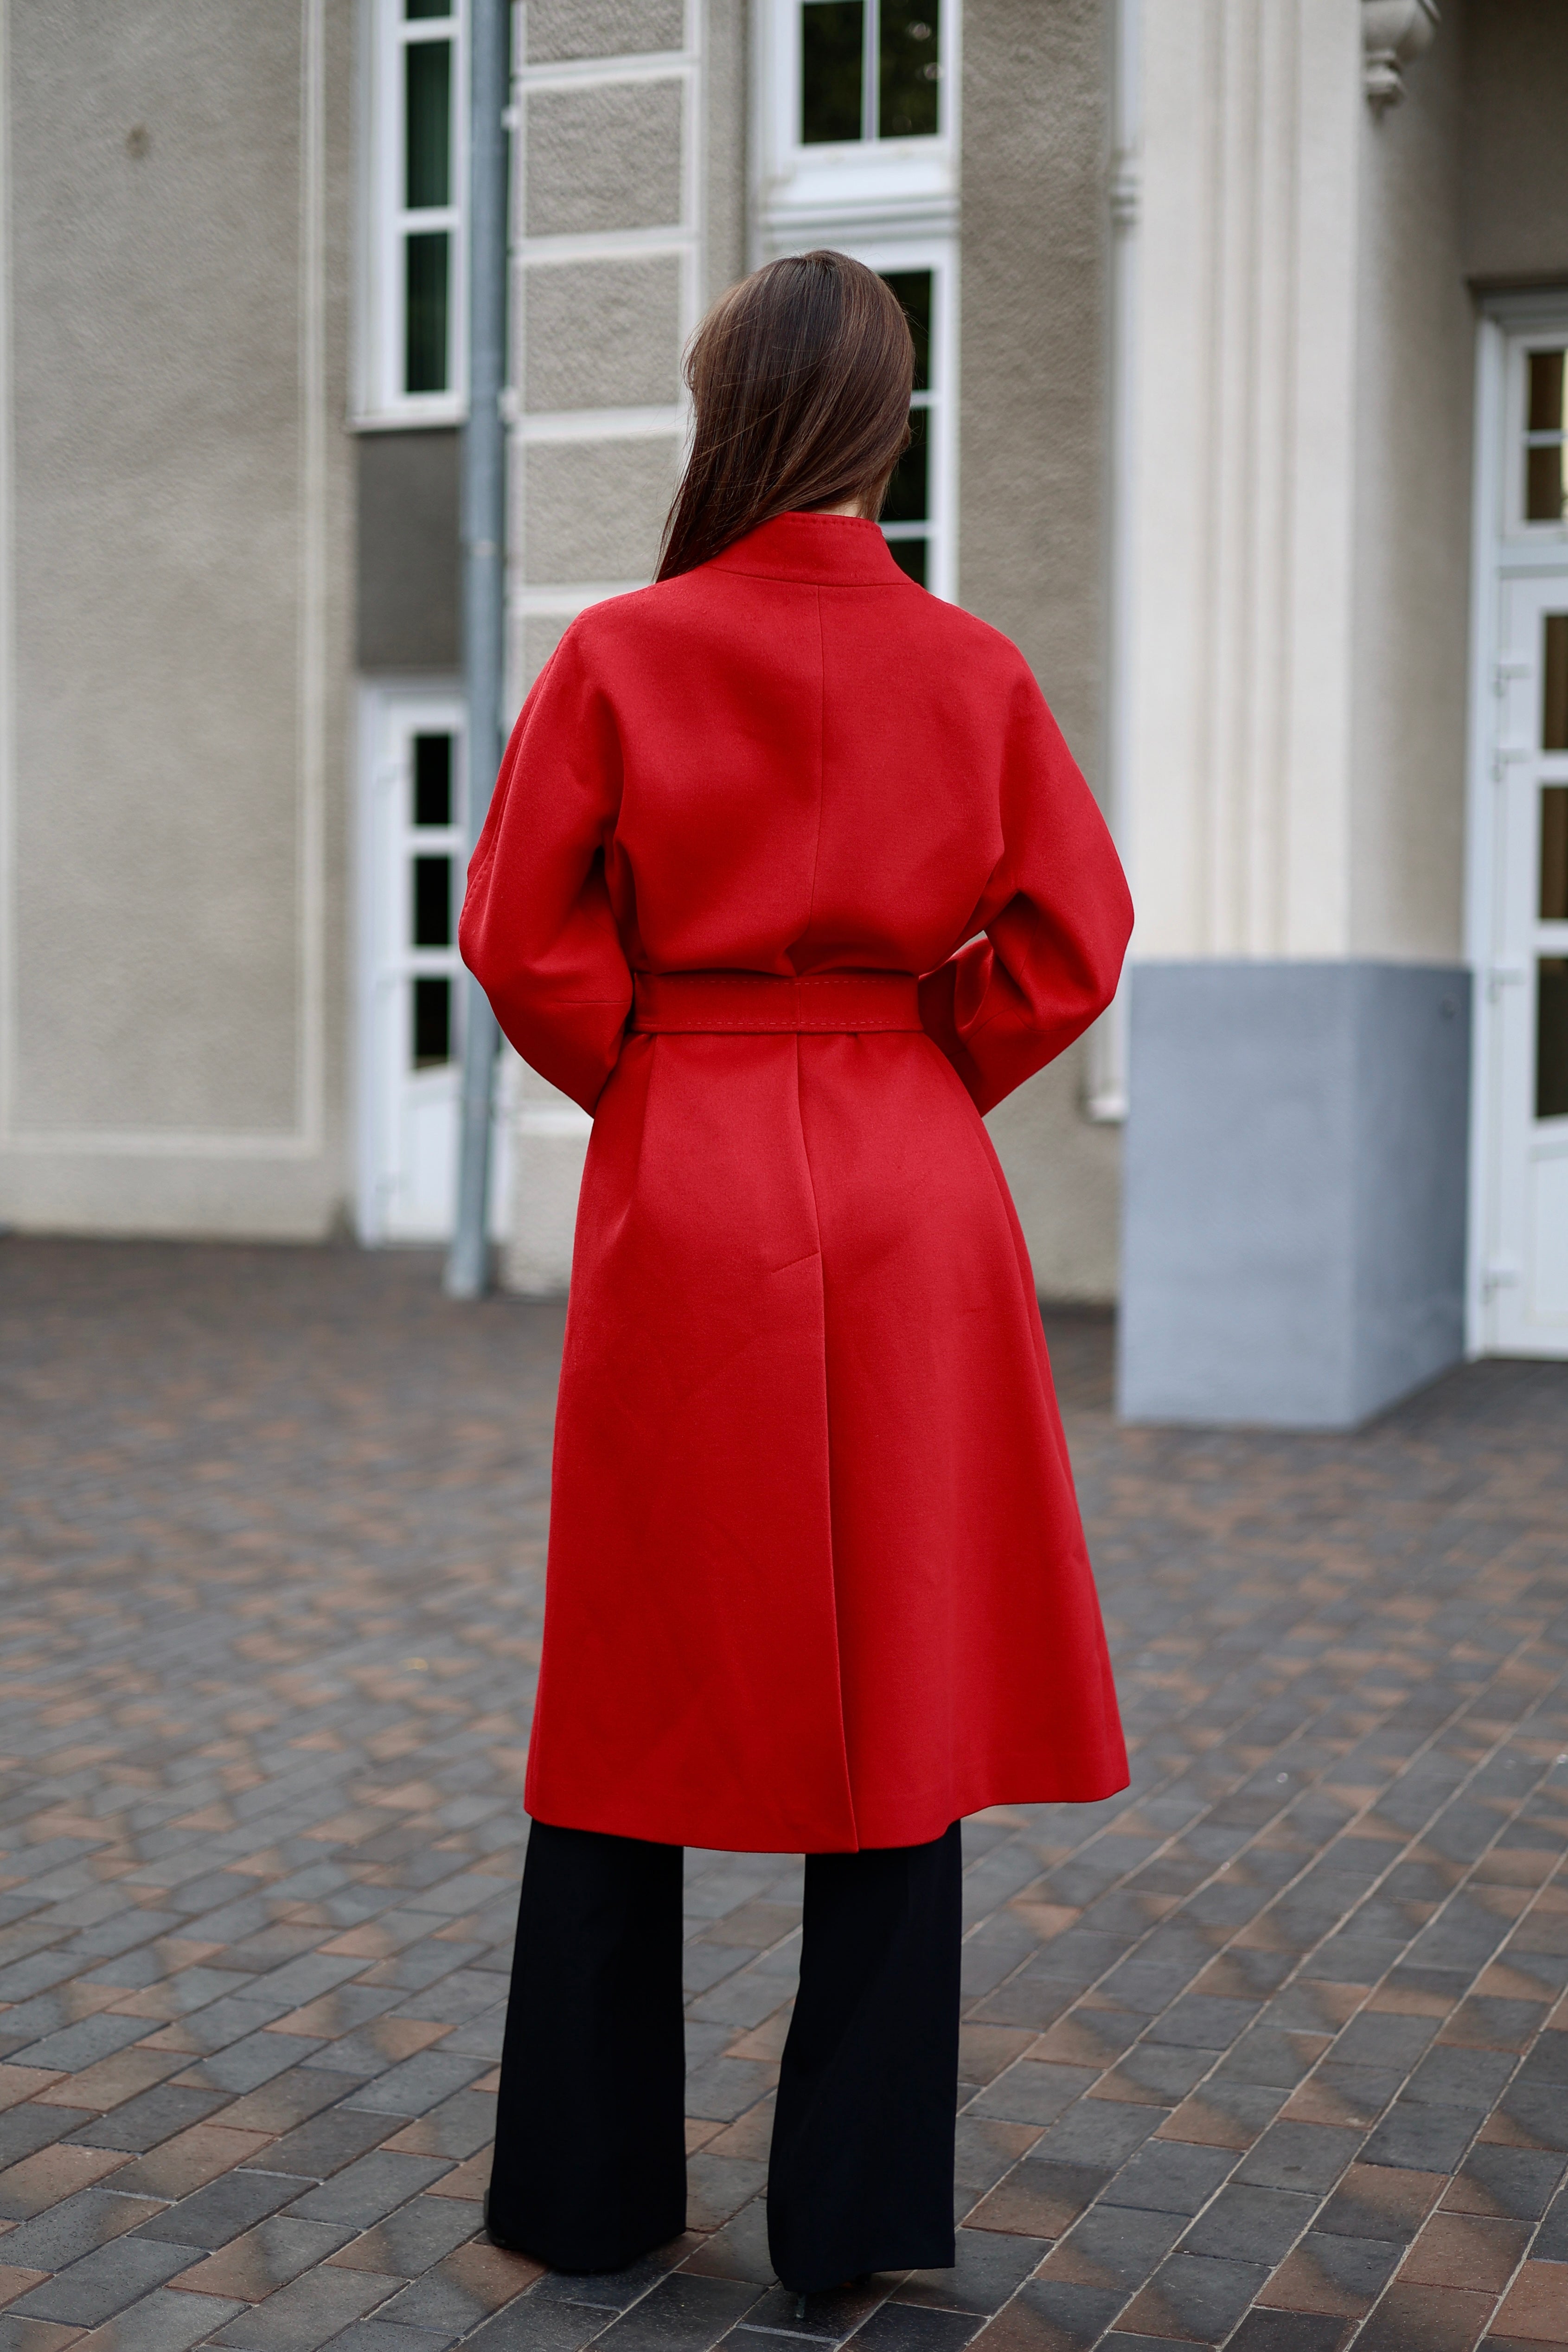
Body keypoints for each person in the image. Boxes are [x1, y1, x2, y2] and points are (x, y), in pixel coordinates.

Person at [459, 249, 1133, 2300]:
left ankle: (586, 2193)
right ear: (887, 427)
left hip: (694, 1172)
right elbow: (1075, 938)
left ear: (724, 413)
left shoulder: (625, 649)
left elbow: (514, 926)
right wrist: (919, 1073)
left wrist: (656, 1069)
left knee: (632, 1671)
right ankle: (851, 2225)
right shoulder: (977, 667)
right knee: (900, 1683)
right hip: (913, 1179)